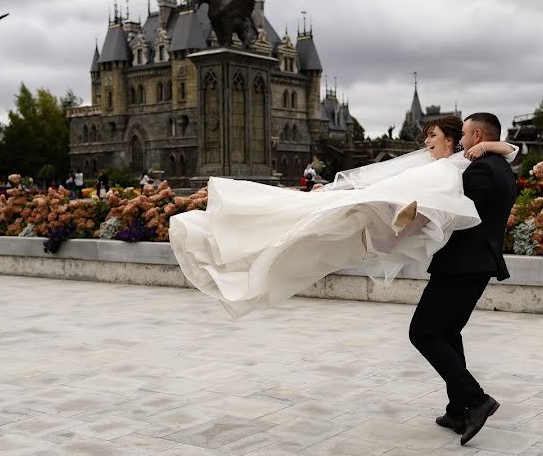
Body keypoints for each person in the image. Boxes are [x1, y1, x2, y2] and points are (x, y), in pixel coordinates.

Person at [169, 114, 517, 319]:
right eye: (426, 136)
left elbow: (511, 149)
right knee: (300, 227)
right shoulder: (433, 164)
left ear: (458, 140)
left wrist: (486, 146)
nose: (427, 141)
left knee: (308, 242)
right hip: (367, 211)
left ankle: (239, 264)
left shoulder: (459, 165)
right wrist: (336, 192)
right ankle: (226, 249)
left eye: (433, 136)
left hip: (381, 221)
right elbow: (376, 179)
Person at [410, 112, 517, 446]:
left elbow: (458, 214)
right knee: (446, 332)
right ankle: (458, 409)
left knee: (423, 332)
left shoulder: (481, 170)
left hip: (463, 264)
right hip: (473, 264)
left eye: (469, 135)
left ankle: (476, 399)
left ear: (477, 135)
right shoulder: (501, 166)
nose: (465, 142)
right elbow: (512, 149)